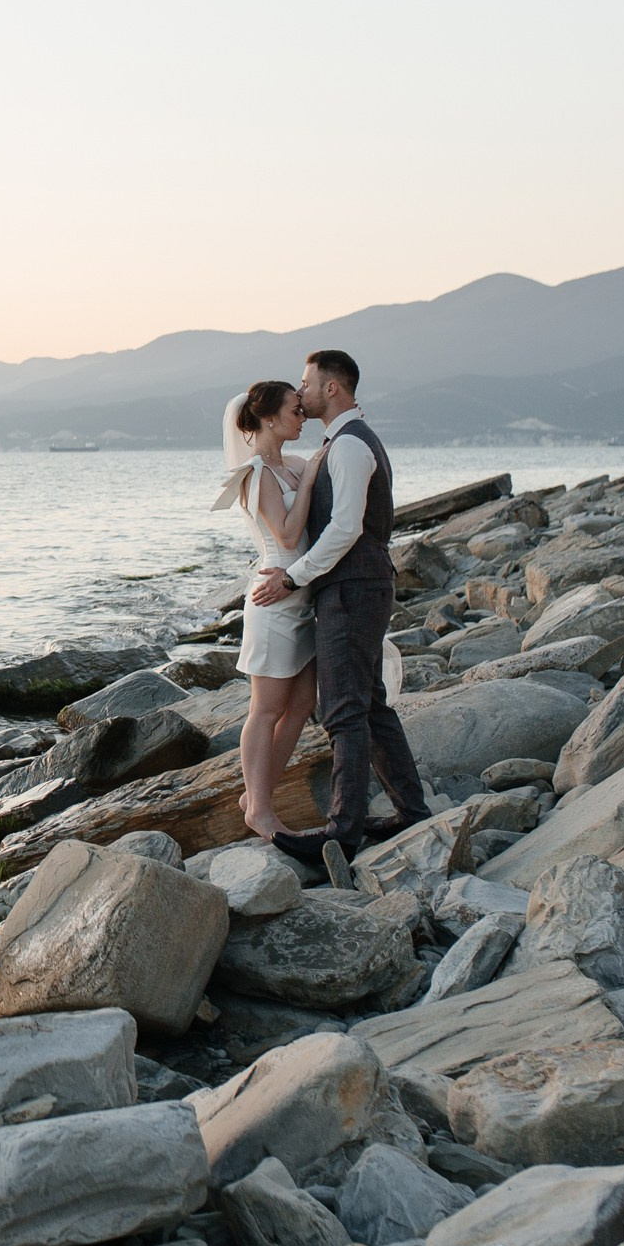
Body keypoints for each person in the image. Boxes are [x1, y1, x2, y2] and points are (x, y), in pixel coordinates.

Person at [249, 349, 431, 865]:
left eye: (306, 382)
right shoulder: (341, 442)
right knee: (370, 703)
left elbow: (346, 528)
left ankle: (341, 831)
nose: (301, 392)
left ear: (332, 388)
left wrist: (291, 576)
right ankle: (412, 812)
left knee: (345, 711)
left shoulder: (349, 447)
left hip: (351, 589)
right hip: (358, 586)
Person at [210, 381, 333, 838]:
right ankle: (260, 808)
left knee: (301, 704)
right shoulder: (256, 473)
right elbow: (284, 536)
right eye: (296, 412)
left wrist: (313, 471)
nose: (302, 419)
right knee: (266, 707)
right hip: (274, 595)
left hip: (302, 593)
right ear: (268, 419)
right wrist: (311, 479)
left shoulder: (294, 466)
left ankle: (255, 792)